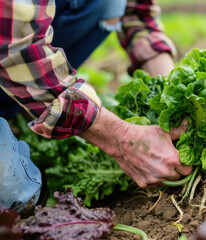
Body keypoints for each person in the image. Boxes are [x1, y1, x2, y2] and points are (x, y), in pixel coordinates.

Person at [0, 0, 192, 214]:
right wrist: (123, 138)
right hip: (11, 48)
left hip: (14, 65)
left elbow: (136, 11)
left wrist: (172, 93)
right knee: (14, 195)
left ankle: (19, 104)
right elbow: (15, 48)